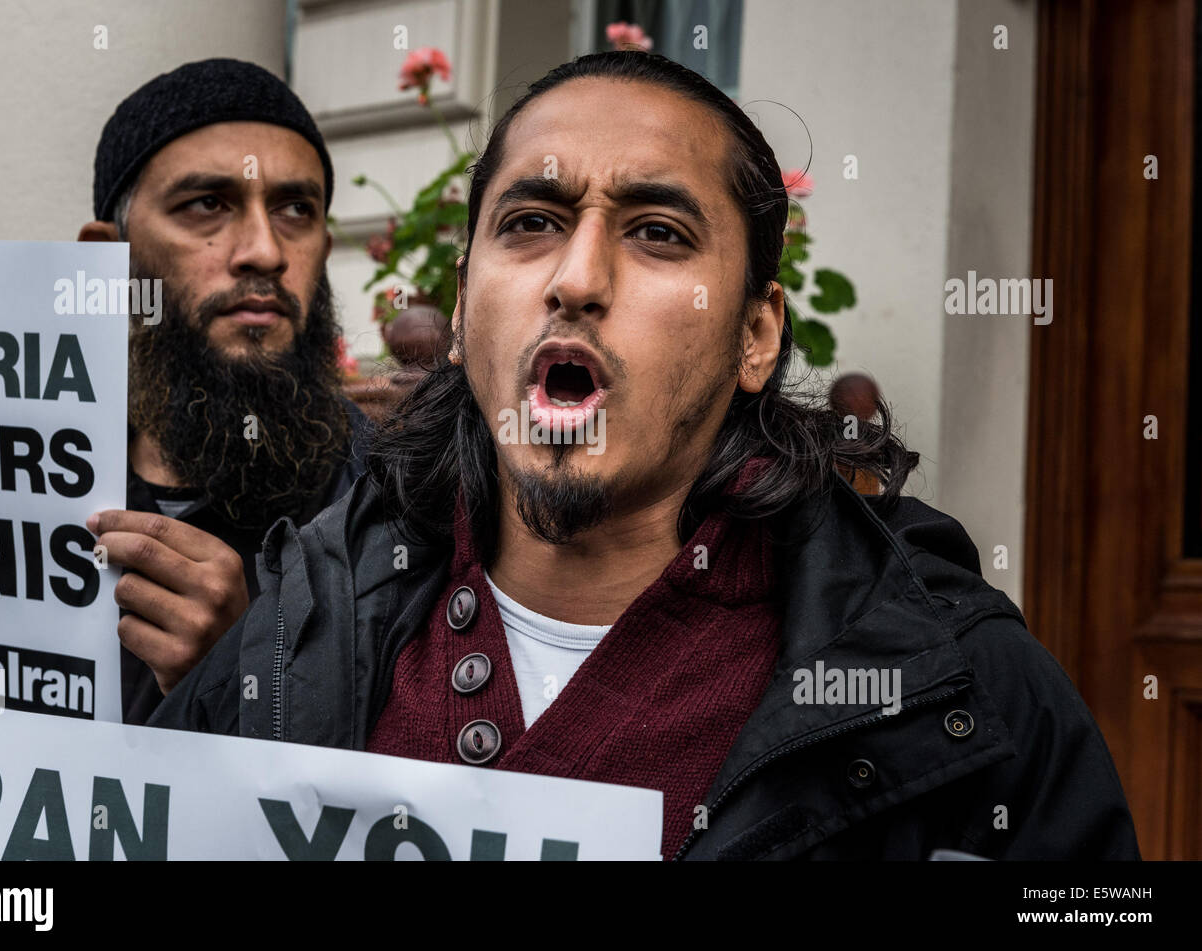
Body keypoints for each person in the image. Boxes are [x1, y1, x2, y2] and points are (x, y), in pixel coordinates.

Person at [148, 51, 1139, 861]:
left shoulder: (961, 692)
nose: (577, 278)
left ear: (754, 334)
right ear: (460, 308)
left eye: (658, 234)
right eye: (529, 224)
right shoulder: (297, 630)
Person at [77, 59, 370, 725]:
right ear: (106, 259)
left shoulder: (397, 507)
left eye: (296, 209)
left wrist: (249, 668)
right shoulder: (15, 488)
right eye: (207, 204)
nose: (265, 250)